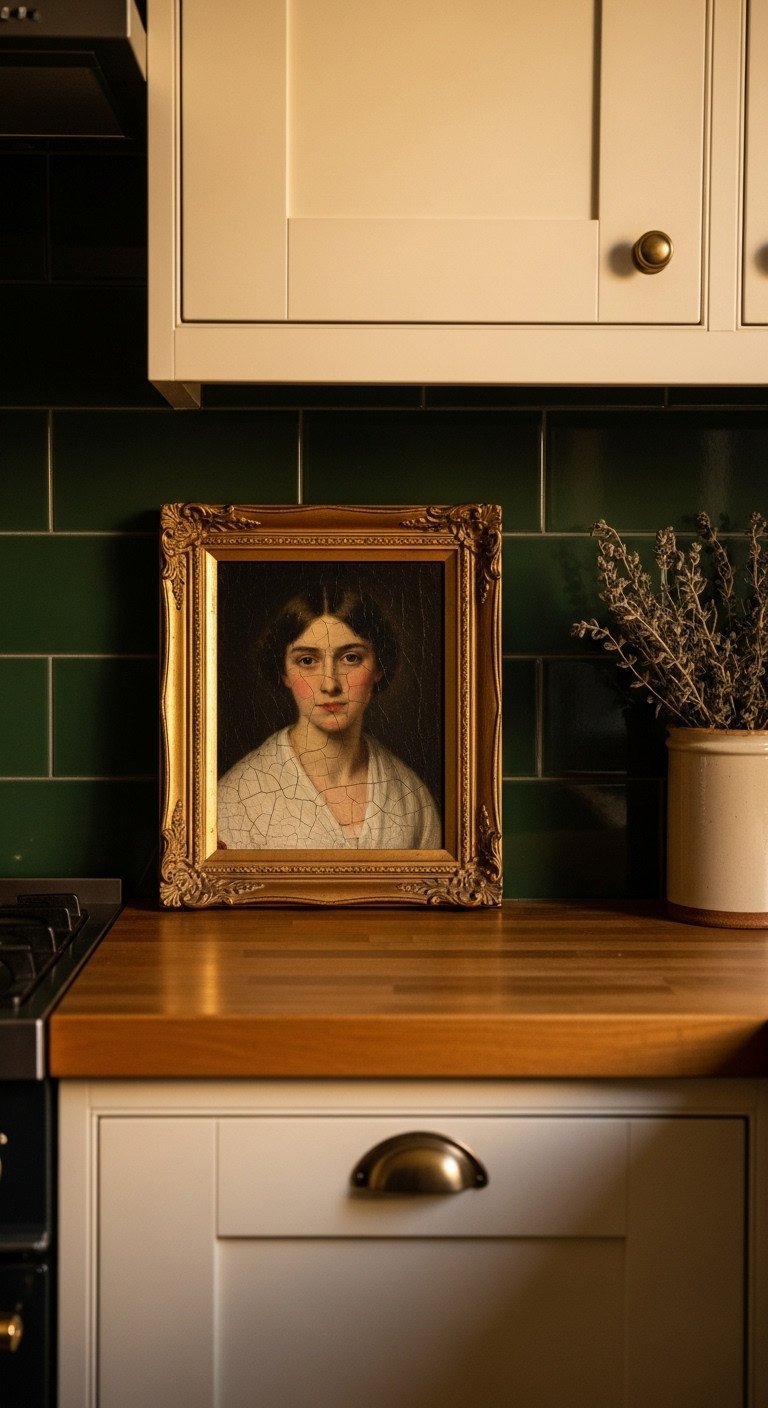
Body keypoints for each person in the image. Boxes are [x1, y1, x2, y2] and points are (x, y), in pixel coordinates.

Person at [217, 580, 441, 850]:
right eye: (307, 661)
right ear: (284, 672)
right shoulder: (237, 799)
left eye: (350, 658)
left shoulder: (411, 797)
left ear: (378, 667)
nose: (330, 684)